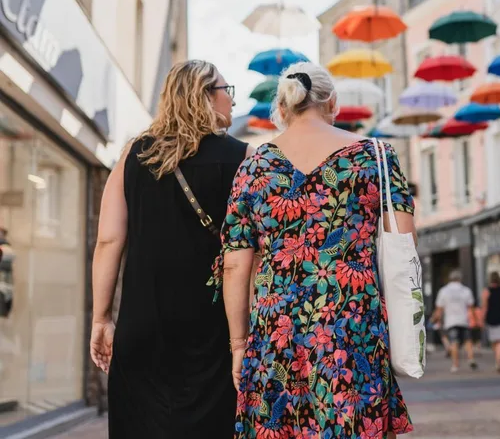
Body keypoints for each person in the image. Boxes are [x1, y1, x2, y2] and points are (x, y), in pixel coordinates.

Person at [216, 62, 416, 438]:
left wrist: (239, 344)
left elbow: (234, 267)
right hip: (352, 328)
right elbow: (405, 244)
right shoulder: (375, 156)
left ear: (282, 107)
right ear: (333, 102)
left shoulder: (254, 168)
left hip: (277, 334)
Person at [88, 60, 249, 438]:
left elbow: (109, 240)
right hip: (213, 326)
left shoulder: (134, 155)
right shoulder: (243, 158)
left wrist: (101, 318)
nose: (232, 101)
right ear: (206, 96)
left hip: (143, 321)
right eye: (228, 90)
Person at [433, 270, 478, 373]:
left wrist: (436, 318)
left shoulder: (444, 291)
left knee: (454, 343)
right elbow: (471, 307)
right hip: (464, 320)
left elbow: (439, 308)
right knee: (468, 341)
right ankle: (471, 359)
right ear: (460, 279)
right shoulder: (466, 290)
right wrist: (475, 320)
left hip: (451, 321)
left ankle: (455, 365)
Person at [481, 271, 500, 373]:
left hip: (491, 319)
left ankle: (498, 361)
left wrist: (482, 320)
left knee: (495, 341)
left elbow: (484, 307)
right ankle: (499, 362)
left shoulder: (486, 292)